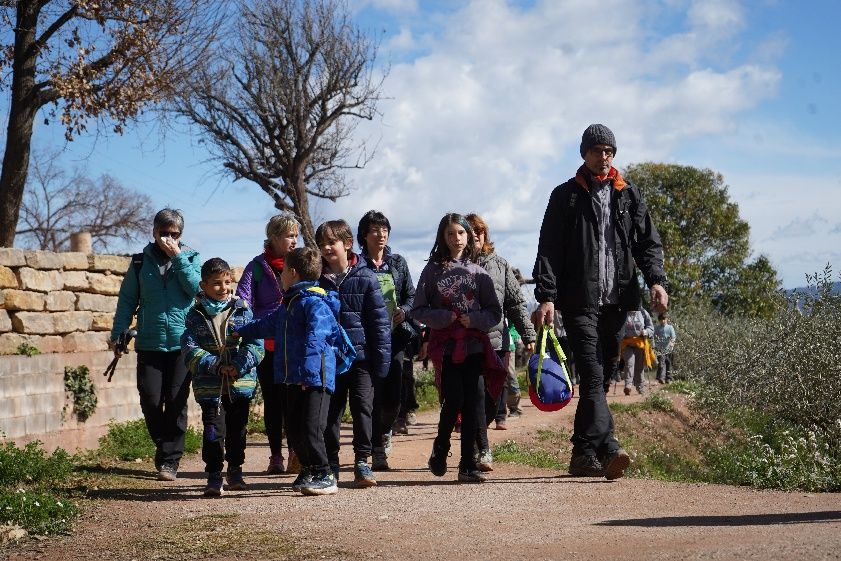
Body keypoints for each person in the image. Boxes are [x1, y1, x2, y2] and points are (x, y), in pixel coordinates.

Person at [532, 124, 668, 481]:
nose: (603, 157)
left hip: (618, 301)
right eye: (596, 150)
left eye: (608, 151)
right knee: (592, 375)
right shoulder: (566, 196)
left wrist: (656, 281)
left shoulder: (629, 195)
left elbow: (647, 244)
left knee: (603, 376)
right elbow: (549, 249)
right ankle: (609, 447)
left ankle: (582, 453)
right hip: (578, 301)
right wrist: (547, 296)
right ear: (584, 154)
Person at [236, 247, 343, 496]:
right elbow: (267, 325)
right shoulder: (289, 304)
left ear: (292, 273)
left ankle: (326, 474)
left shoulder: (316, 303)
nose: (281, 275)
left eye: (282, 271)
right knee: (294, 428)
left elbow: (317, 338)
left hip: (315, 378)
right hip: (292, 378)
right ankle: (308, 469)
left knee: (311, 427)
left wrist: (308, 373)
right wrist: (240, 331)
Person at [111, 208, 201, 481]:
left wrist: (179, 258)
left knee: (176, 401)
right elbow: (127, 300)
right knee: (150, 399)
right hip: (149, 342)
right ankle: (164, 444)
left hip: (182, 343)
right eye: (164, 233)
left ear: (181, 235)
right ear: (154, 232)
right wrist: (118, 335)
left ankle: (170, 460)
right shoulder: (140, 262)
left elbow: (197, 289)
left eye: (175, 234)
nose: (168, 239)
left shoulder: (192, 258)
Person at [412, 213, 503, 483]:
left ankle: (468, 463)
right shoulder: (432, 271)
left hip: (475, 345)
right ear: (442, 237)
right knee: (453, 401)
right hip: (448, 347)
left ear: (468, 235)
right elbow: (418, 309)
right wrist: (444, 318)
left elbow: (494, 312)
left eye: (460, 233)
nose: (456, 238)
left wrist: (474, 319)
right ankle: (440, 448)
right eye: (450, 234)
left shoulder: (479, 273)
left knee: (475, 401)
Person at [317, 220, 391, 488]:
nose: (326, 248)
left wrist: (381, 362)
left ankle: (362, 461)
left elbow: (379, 324)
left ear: (347, 244)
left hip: (361, 359)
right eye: (321, 243)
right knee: (330, 414)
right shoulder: (317, 280)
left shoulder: (366, 277)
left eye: (331, 242)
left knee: (363, 409)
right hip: (330, 361)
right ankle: (331, 465)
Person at [181, 258, 264, 496]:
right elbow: (189, 347)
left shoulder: (242, 310)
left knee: (238, 430)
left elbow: (255, 345)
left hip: (240, 384)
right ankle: (214, 475)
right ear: (203, 286)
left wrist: (239, 365)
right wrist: (214, 365)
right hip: (210, 387)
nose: (223, 288)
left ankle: (235, 470)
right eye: (216, 283)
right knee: (213, 432)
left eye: (227, 282)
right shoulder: (195, 315)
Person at [464, 213, 535, 473]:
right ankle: (479, 448)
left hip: (498, 343)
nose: (474, 235)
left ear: (485, 235)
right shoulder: (455, 265)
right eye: (468, 230)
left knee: (493, 400)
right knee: (476, 395)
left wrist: (528, 335)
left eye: (478, 231)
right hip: (467, 342)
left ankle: (476, 439)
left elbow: (515, 303)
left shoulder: (500, 264)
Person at [235, 213, 299, 475]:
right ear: (273, 237)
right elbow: (243, 300)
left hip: (294, 343)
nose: (294, 241)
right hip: (267, 345)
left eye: (296, 235)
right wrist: (242, 325)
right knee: (273, 402)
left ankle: (296, 451)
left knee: (293, 399)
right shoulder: (257, 267)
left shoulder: (299, 263)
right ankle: (275, 456)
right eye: (288, 236)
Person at [357, 210, 417, 470]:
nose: (380, 235)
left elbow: (411, 296)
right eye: (374, 230)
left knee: (393, 397)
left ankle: (385, 430)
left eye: (384, 230)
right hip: (367, 339)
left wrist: (404, 311)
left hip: (394, 339)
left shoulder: (398, 263)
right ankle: (377, 449)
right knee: (371, 396)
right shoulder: (357, 265)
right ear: (364, 235)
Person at [619, 308, 655, 395]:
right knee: (629, 363)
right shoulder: (623, 312)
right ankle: (628, 385)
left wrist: (646, 331)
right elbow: (618, 326)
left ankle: (640, 387)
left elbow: (651, 328)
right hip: (627, 343)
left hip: (640, 344)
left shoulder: (643, 312)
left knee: (639, 366)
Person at [653, 312, 676, 384]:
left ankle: (668, 378)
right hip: (660, 349)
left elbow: (673, 337)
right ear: (659, 320)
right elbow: (653, 337)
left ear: (667, 319)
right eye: (661, 319)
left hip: (669, 348)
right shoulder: (656, 328)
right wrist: (653, 346)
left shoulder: (670, 327)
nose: (662, 321)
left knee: (669, 363)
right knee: (661, 363)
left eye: (664, 319)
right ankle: (661, 378)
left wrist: (672, 343)